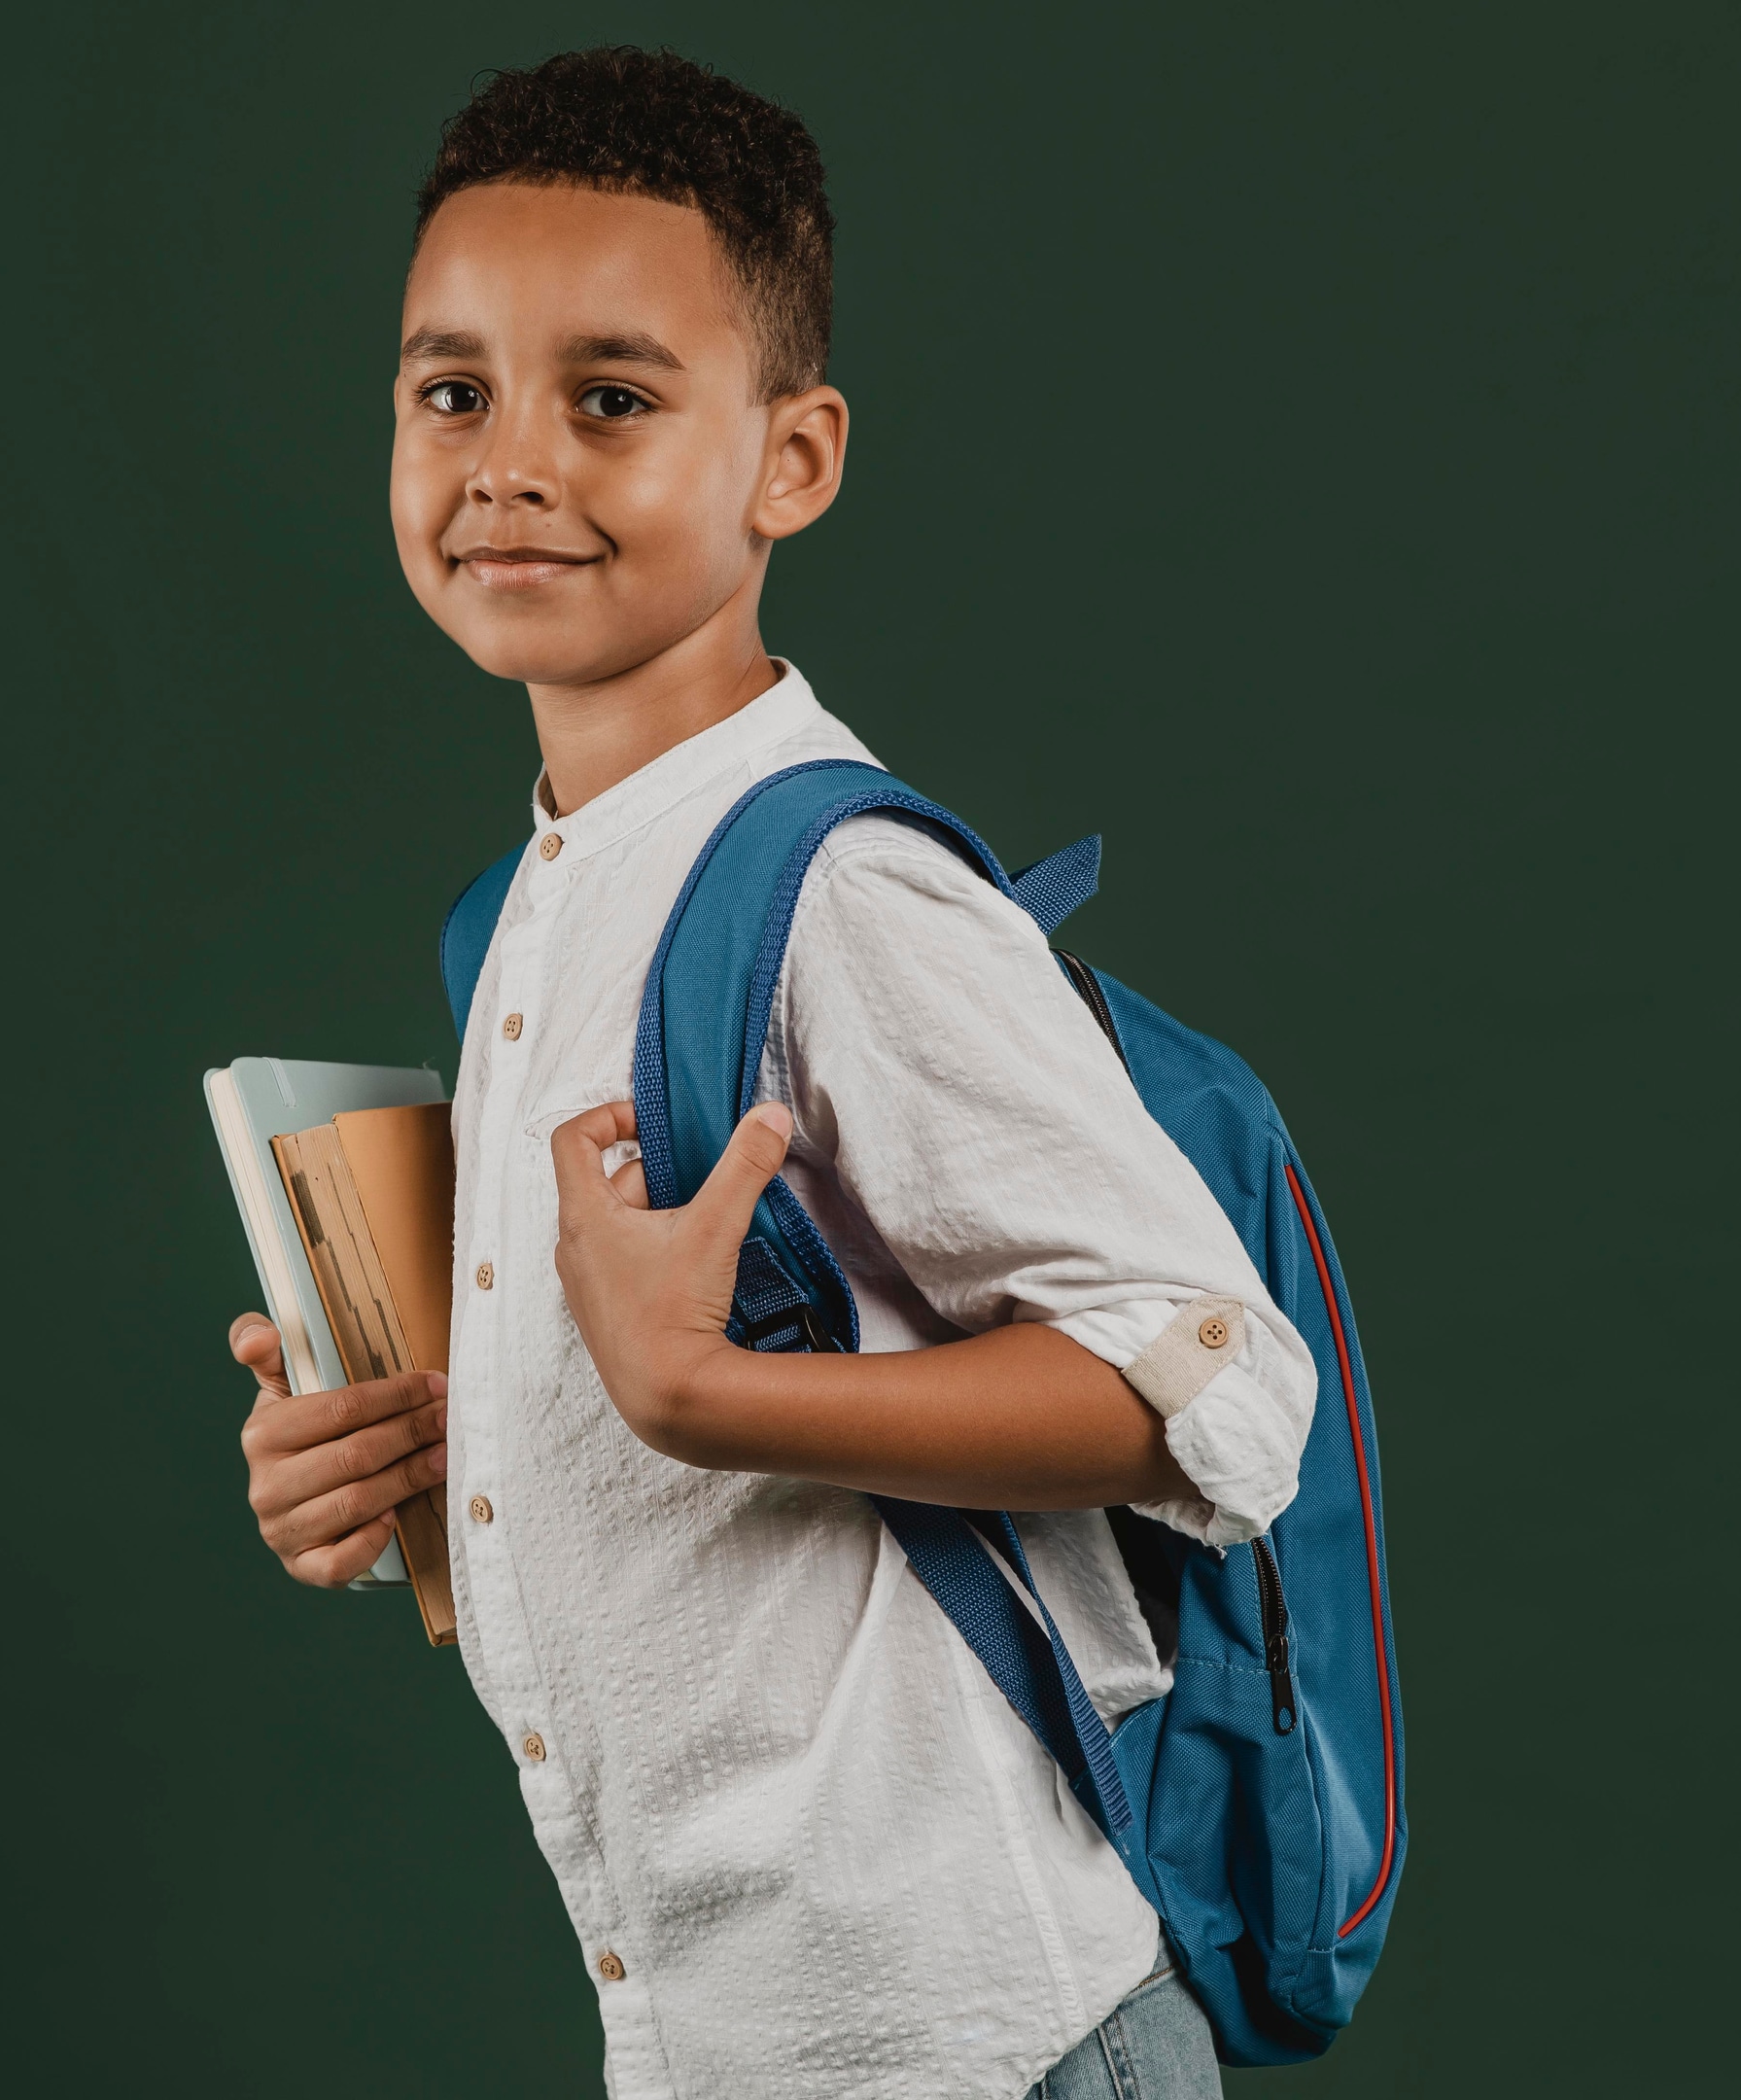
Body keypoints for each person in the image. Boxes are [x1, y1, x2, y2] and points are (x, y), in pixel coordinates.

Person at [226, 49, 1314, 2100]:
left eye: (610, 399)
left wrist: (706, 1398)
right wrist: (388, 1481)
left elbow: (1230, 1393)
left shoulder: (836, 890)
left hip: (978, 2043)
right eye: (450, 389)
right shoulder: (527, 914)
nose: (506, 461)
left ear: (791, 460)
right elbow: (624, 1461)